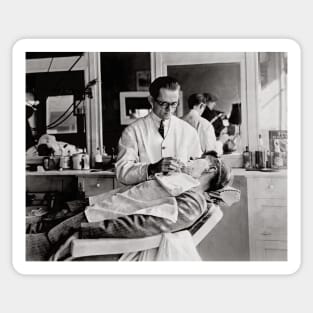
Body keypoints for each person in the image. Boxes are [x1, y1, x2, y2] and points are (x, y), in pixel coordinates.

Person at [26, 152, 232, 260]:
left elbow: (142, 225)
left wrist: (84, 232)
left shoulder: (193, 200)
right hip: (86, 212)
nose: (190, 160)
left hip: (88, 225)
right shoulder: (180, 182)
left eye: (197, 159)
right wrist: (76, 206)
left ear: (211, 168)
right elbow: (126, 196)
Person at [115, 76, 202, 185]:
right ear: (151, 100)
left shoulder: (189, 131)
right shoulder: (133, 131)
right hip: (146, 198)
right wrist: (151, 168)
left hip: (180, 198)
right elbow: (122, 172)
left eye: (174, 104)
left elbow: (198, 169)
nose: (169, 110)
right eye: (163, 104)